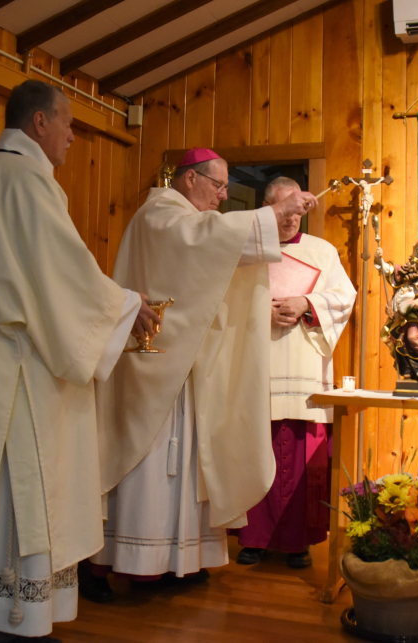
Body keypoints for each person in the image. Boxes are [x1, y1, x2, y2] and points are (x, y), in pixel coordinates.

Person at [0, 80, 159, 643]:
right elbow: (61, 275)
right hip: (17, 374)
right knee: (22, 495)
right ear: (39, 122)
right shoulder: (22, 181)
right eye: (67, 122)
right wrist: (128, 305)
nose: (71, 135)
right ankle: (11, 619)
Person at [82, 149, 319, 601]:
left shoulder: (181, 219)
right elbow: (205, 240)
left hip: (183, 364)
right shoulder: (160, 215)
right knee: (146, 463)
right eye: (218, 185)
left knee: (187, 463)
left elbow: (213, 255)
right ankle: (130, 560)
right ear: (190, 179)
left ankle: (178, 561)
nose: (223, 195)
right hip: (151, 368)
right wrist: (271, 214)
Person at [233, 177, 356, 569]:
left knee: (303, 456)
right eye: (283, 210)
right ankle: (253, 538)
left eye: (297, 210)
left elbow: (343, 297)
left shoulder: (322, 251)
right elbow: (223, 299)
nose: (291, 219)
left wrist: (306, 301)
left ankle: (297, 541)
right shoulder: (246, 250)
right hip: (258, 365)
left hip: (303, 365)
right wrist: (258, 309)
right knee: (256, 451)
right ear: (267, 208)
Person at [374, 238, 418, 381]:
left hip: (414, 315)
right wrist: (378, 258)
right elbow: (385, 268)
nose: (412, 266)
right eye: (411, 262)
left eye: (416, 264)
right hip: (399, 316)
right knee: (399, 341)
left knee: (412, 337)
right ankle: (408, 369)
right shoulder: (402, 271)